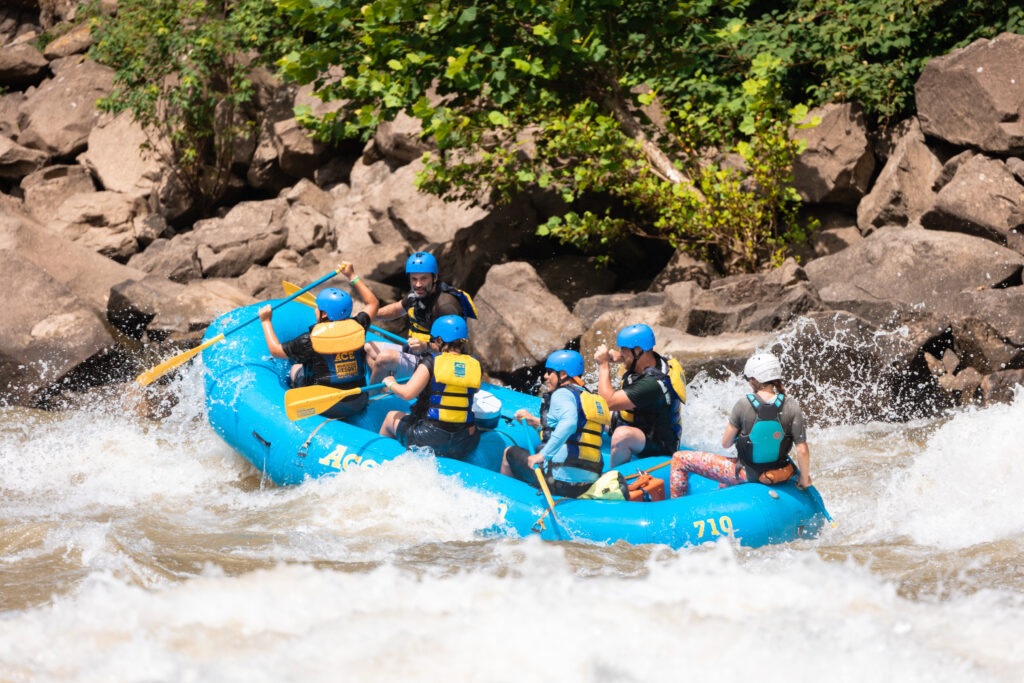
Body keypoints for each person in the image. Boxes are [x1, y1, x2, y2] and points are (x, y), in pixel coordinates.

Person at [668, 352, 812, 498]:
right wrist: (804, 479)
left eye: (749, 379)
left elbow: (726, 443)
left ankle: (676, 505)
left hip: (747, 473)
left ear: (755, 380)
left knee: (680, 459)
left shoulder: (743, 404)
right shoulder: (792, 405)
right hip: (778, 471)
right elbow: (802, 450)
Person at [259, 263, 379, 418]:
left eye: (317, 308)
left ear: (324, 314)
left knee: (296, 369)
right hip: (358, 401)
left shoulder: (309, 340)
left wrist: (266, 321)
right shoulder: (359, 325)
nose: (315, 310)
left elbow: (275, 350)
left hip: (325, 406)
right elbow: (373, 303)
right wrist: (351, 275)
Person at [501, 350, 609, 498]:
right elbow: (578, 430)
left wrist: (542, 455)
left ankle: (505, 499)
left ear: (563, 374)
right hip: (587, 484)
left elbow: (569, 424)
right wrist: (534, 421)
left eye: (549, 372)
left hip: (558, 481)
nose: (545, 376)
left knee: (509, 453)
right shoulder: (591, 398)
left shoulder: (561, 393)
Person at [378, 315, 482, 460]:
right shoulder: (474, 364)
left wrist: (391, 383)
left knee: (390, 417)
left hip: (431, 438)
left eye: (433, 340)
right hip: (463, 442)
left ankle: (379, 457)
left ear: (439, 340)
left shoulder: (432, 361)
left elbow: (407, 394)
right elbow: (473, 389)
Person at [365, 251, 477, 383]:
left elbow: (455, 348)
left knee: (384, 357)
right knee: (368, 348)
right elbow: (396, 310)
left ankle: (373, 395)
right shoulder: (418, 293)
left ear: (434, 277)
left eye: (423, 278)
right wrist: (368, 315)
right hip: (417, 353)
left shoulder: (446, 306)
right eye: (414, 279)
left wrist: (426, 346)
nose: (418, 284)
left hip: (436, 363)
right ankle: (386, 389)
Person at [594, 323, 687, 466]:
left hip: (660, 444)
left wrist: (603, 364)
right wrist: (621, 357)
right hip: (642, 424)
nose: (621, 353)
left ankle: (615, 476)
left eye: (623, 350)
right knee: (591, 410)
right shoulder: (652, 361)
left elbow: (608, 402)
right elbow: (635, 359)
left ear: (638, 351)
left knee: (621, 435)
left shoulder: (652, 384)